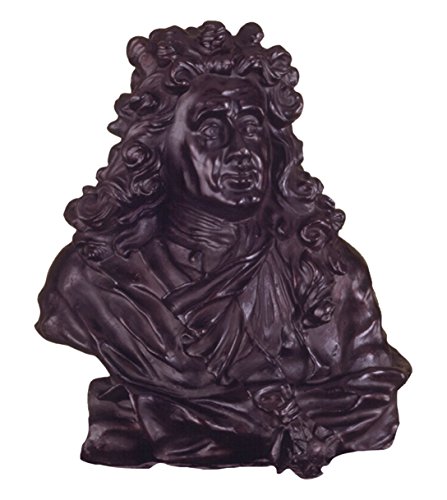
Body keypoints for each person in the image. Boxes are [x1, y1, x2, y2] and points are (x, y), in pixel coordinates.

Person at [36, 22, 411, 478]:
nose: (240, 151)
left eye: (251, 128)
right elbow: (350, 407)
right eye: (211, 131)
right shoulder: (92, 281)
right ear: (158, 147)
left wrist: (169, 413)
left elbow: (374, 405)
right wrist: (286, 422)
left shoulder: (329, 270)